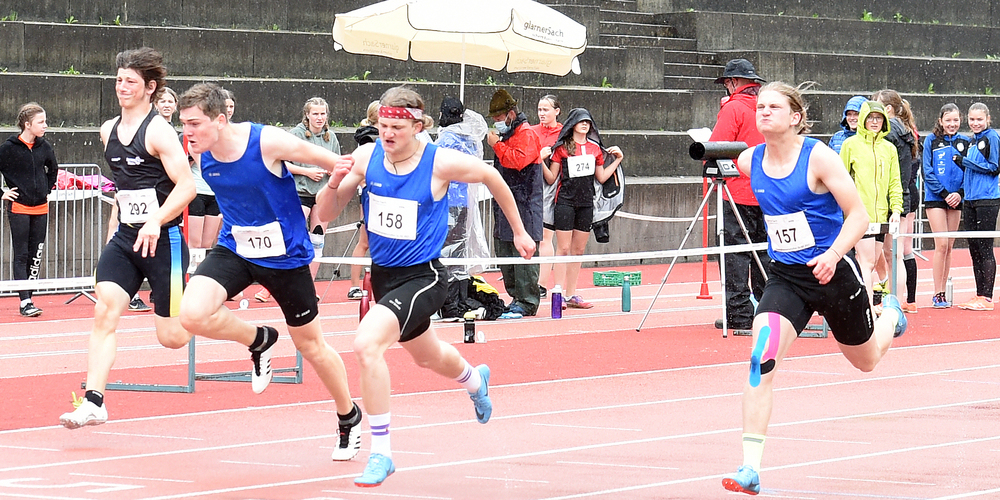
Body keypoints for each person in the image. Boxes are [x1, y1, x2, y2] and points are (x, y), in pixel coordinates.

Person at [314, 86, 535, 487]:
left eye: (397, 127)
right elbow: (324, 215)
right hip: (385, 277)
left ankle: (381, 452)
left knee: (366, 344)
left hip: (424, 276)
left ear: (418, 126)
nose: (388, 134)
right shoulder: (366, 157)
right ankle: (474, 378)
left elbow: (491, 177)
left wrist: (519, 232)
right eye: (382, 126)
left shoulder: (438, 162)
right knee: (428, 356)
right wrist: (334, 184)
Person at [721, 82, 906, 495]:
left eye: (774, 107)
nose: (764, 112)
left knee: (867, 361)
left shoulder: (819, 156)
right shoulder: (751, 160)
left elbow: (858, 215)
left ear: (795, 117)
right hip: (787, 278)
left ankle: (890, 314)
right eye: (760, 106)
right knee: (759, 362)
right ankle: (750, 467)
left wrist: (835, 254)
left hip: (834, 275)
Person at [175, 82, 363, 461]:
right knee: (192, 314)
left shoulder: (267, 142)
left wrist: (342, 184)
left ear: (222, 119)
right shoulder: (198, 153)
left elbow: (336, 163)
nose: (187, 132)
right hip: (236, 248)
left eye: (194, 123)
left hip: (286, 256)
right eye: (184, 124)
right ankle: (258, 339)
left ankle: (348, 414)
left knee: (311, 346)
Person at [59, 47, 196, 429]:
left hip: (164, 238)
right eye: (119, 79)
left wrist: (155, 220)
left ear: (150, 87)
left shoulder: (159, 131)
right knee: (105, 311)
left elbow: (186, 187)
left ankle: (207, 309)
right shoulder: (108, 131)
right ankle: (94, 401)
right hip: (127, 239)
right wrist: (117, 231)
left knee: (172, 338)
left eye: (130, 81)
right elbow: (125, 191)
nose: (122, 86)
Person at [254, 97, 341, 302]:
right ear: (307, 115)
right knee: (292, 237)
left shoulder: (331, 138)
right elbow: (280, 163)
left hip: (323, 194)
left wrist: (331, 171)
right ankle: (271, 285)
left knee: (317, 240)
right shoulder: (295, 135)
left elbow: (338, 163)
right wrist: (307, 172)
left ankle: (308, 288)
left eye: (323, 114)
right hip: (300, 192)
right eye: (316, 114)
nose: (319, 118)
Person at [710, 59, 769, 330]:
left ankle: (739, 312)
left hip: (738, 190)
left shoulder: (734, 107)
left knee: (734, 253)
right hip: (769, 191)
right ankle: (771, 307)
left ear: (733, 83)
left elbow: (717, 147)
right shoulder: (768, 108)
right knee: (765, 253)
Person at [547, 108, 623, 309]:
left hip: (586, 204)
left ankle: (571, 294)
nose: (585, 125)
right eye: (581, 121)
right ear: (573, 124)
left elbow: (602, 177)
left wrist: (618, 160)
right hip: (565, 201)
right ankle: (558, 292)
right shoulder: (562, 148)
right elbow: (550, 178)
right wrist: (540, 161)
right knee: (562, 249)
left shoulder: (595, 149)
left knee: (578, 250)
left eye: (588, 122)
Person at [839, 100, 902, 309]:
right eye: (871, 118)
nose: (875, 122)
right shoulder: (850, 145)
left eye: (879, 118)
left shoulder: (889, 148)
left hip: (881, 216)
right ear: (864, 119)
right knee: (865, 262)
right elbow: (841, 179)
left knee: (873, 262)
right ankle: (865, 310)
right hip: (859, 214)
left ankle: (865, 303)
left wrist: (896, 209)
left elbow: (895, 182)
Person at [486, 88, 542, 316]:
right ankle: (517, 297)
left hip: (524, 205)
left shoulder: (526, 134)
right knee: (505, 251)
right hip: (507, 205)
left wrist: (497, 145)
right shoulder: (509, 135)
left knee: (523, 254)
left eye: (499, 118)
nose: (497, 122)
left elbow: (517, 161)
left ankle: (527, 301)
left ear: (510, 114)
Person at [0, 102, 59, 317]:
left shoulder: (45, 147)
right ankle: (24, 300)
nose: (45, 126)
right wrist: (3, 193)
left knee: (36, 255)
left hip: (41, 208)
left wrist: (46, 189)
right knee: (22, 255)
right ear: (27, 124)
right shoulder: (8, 148)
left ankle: (30, 298)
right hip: (19, 208)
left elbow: (53, 170)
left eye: (45, 121)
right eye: (41, 122)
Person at [434, 96, 491, 283]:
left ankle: (445, 296)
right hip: (464, 200)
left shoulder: (446, 139)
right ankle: (457, 292)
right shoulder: (471, 139)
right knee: (458, 251)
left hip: (445, 201)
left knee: (443, 252)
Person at [871, 90, 918, 313]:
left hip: (891, 196)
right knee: (891, 253)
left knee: (887, 253)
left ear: (887, 110)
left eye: (876, 107)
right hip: (901, 194)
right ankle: (893, 300)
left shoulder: (890, 134)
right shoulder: (906, 131)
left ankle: (892, 302)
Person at [954, 103, 999, 310]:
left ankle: (987, 297)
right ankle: (979, 293)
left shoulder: (992, 138)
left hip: (987, 199)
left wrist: (966, 162)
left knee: (984, 246)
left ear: (987, 119)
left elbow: (994, 167)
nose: (975, 123)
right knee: (974, 248)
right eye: (972, 119)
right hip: (970, 200)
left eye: (979, 119)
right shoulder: (973, 141)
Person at [922, 103, 967, 308]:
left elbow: (969, 171)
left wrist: (959, 193)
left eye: (955, 120)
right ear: (940, 121)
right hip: (937, 198)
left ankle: (944, 291)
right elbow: (927, 170)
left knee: (949, 246)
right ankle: (937, 292)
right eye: (948, 120)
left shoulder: (965, 142)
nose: (952, 124)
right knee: (940, 245)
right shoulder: (931, 140)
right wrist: (945, 193)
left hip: (956, 198)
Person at [530, 94, 563, 298]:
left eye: (546, 109)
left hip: (551, 184)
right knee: (531, 236)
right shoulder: (532, 131)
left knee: (545, 236)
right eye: (540, 109)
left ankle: (541, 284)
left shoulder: (562, 134)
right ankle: (531, 281)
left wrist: (540, 158)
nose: (542, 113)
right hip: (530, 184)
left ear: (557, 111)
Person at [347, 100, 379, 300]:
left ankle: (376, 282)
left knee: (372, 241)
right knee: (365, 240)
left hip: (380, 191)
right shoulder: (368, 139)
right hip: (370, 191)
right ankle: (354, 285)